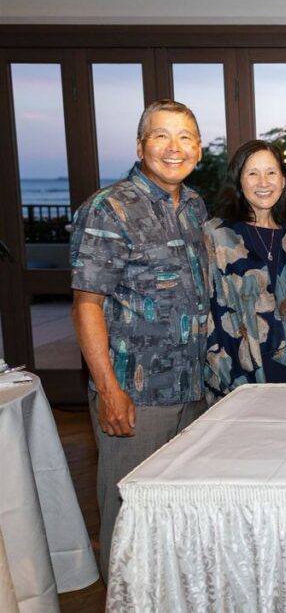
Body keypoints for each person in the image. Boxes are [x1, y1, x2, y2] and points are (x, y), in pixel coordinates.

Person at [70, 99, 209, 580]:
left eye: (186, 137)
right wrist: (109, 390)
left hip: (193, 389)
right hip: (136, 393)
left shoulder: (193, 206)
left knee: (177, 511)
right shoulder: (109, 208)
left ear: (199, 149)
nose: (175, 148)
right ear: (140, 144)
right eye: (161, 136)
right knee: (128, 511)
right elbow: (87, 304)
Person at [204, 139, 286, 395]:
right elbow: (207, 308)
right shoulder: (217, 234)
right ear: (239, 182)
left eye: (271, 172)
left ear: (283, 180)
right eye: (253, 173)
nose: (263, 182)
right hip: (236, 368)